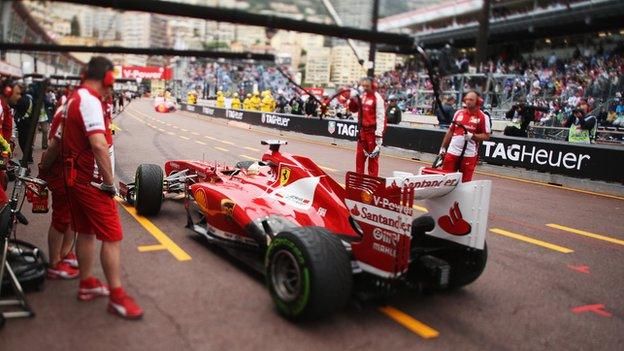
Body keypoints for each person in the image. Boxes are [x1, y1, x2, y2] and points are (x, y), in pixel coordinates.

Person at [50, 56, 143, 319]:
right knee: (112, 237)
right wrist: (108, 182)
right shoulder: (89, 100)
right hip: (92, 181)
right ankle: (117, 296)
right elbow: (99, 144)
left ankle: (87, 283)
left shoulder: (75, 98)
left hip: (76, 178)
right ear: (107, 77)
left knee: (87, 233)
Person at [39, 99, 79, 280]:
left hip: (74, 172)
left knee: (73, 216)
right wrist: (44, 170)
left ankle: (65, 254)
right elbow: (54, 146)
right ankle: (55, 263)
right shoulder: (69, 111)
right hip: (64, 173)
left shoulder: (73, 107)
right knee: (61, 218)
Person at [438, 91, 491, 183]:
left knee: (465, 183)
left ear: (478, 101)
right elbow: (450, 131)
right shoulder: (458, 113)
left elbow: (486, 136)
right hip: (452, 153)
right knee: (445, 180)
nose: (468, 101)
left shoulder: (483, 117)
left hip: (468, 155)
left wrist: (473, 136)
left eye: (471, 99)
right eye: (466, 99)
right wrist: (443, 148)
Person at [348, 77, 386, 176]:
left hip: (372, 133)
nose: (364, 88)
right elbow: (353, 110)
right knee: (359, 159)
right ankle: (358, 183)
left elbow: (381, 117)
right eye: (363, 85)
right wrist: (352, 99)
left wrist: (379, 135)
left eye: (367, 86)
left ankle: (371, 185)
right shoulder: (362, 96)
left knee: (373, 161)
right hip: (362, 132)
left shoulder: (377, 98)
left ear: (372, 86)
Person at [0, 79, 19, 204]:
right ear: (8, 91)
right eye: (17, 93)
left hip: (2, 155)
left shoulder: (4, 107)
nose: (19, 97)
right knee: (3, 202)